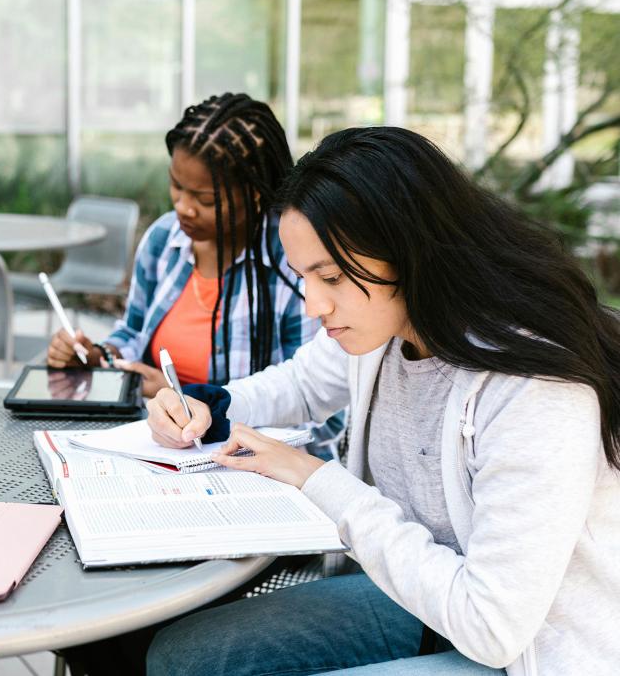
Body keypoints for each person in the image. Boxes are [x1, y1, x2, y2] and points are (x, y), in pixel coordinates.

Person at [144, 127, 620, 675]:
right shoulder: (386, 326)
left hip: (531, 652)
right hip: (429, 603)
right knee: (183, 657)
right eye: (304, 276)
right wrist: (207, 405)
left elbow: (493, 628)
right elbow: (300, 384)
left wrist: (317, 479)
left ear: (409, 251)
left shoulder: (534, 388)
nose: (315, 304)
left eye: (332, 276)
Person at [48, 93, 341, 443]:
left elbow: (317, 405)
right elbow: (133, 333)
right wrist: (98, 357)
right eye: (176, 186)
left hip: (249, 462)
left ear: (257, 193)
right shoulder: (163, 241)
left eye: (206, 200)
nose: (184, 208)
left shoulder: (293, 262)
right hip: (155, 444)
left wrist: (188, 398)